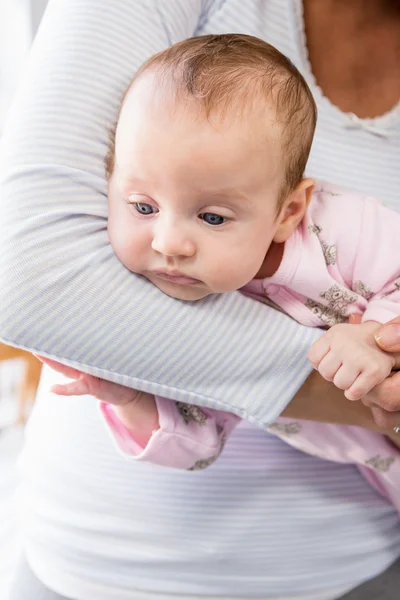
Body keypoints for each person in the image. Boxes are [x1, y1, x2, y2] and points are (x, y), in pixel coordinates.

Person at [1, 1, 400, 599]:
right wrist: (133, 393)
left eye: (212, 216)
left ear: (288, 212)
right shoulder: (190, 284)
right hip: (99, 570)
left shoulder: (350, 230)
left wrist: (371, 334)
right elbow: (196, 445)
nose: (168, 243)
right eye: (141, 207)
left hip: (351, 567)